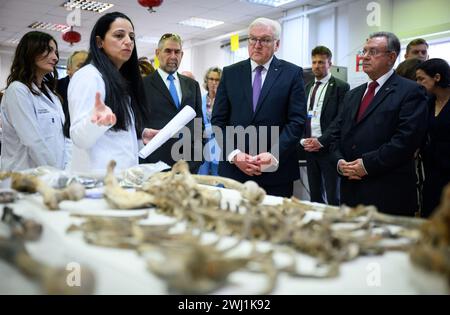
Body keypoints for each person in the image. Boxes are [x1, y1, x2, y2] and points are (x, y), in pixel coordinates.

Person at [330, 31, 428, 216]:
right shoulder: (353, 94)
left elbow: (405, 141)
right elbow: (335, 133)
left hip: (387, 194)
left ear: (391, 57)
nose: (365, 57)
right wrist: (339, 162)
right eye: (364, 51)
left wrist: (366, 165)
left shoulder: (410, 92)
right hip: (350, 192)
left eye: (373, 52)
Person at [212, 17, 306, 197]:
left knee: (273, 224)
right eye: (253, 39)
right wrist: (234, 154)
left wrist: (274, 155)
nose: (257, 45)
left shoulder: (292, 74)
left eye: (264, 40)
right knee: (233, 223)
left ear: (276, 44)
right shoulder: (231, 73)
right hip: (235, 173)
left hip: (276, 174)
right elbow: (218, 121)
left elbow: (297, 121)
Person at [68, 12, 154, 173]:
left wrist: (140, 137)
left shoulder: (118, 79)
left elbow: (115, 137)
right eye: (119, 35)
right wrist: (96, 122)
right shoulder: (89, 76)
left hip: (120, 179)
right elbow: (79, 138)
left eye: (132, 36)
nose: (128, 41)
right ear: (100, 42)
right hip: (97, 181)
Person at [0, 31, 68, 171]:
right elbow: (33, 141)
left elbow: (61, 139)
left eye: (56, 52)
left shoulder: (52, 96)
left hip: (49, 175)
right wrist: (54, 172)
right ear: (31, 52)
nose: (55, 58)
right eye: (49, 51)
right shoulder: (17, 91)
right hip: (24, 176)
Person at [141, 33, 203, 173]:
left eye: (177, 52)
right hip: (155, 163)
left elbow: (199, 122)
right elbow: (137, 122)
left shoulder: (192, 85)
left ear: (182, 54)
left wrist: (199, 155)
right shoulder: (142, 85)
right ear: (158, 53)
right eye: (168, 51)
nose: (173, 56)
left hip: (189, 163)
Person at [300, 46, 350, 205]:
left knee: (333, 196)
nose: (316, 66)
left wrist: (322, 140)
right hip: (309, 149)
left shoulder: (341, 87)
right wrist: (303, 140)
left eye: (321, 62)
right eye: (314, 62)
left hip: (329, 148)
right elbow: (302, 117)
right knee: (315, 195)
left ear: (330, 63)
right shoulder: (307, 88)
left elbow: (340, 119)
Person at [416, 58, 450, 217]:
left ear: (437, 77)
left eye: (421, 79)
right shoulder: (428, 102)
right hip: (432, 171)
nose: (418, 83)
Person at [56, 50, 88, 138]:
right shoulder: (56, 88)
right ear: (68, 69)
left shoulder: (97, 89)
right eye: (81, 66)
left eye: (89, 66)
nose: (86, 71)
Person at [198, 67, 222, 176]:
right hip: (203, 144)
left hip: (219, 144)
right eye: (211, 79)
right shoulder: (200, 99)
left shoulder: (224, 101)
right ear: (206, 81)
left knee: (218, 179)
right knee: (201, 176)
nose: (214, 83)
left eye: (217, 80)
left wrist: (210, 128)